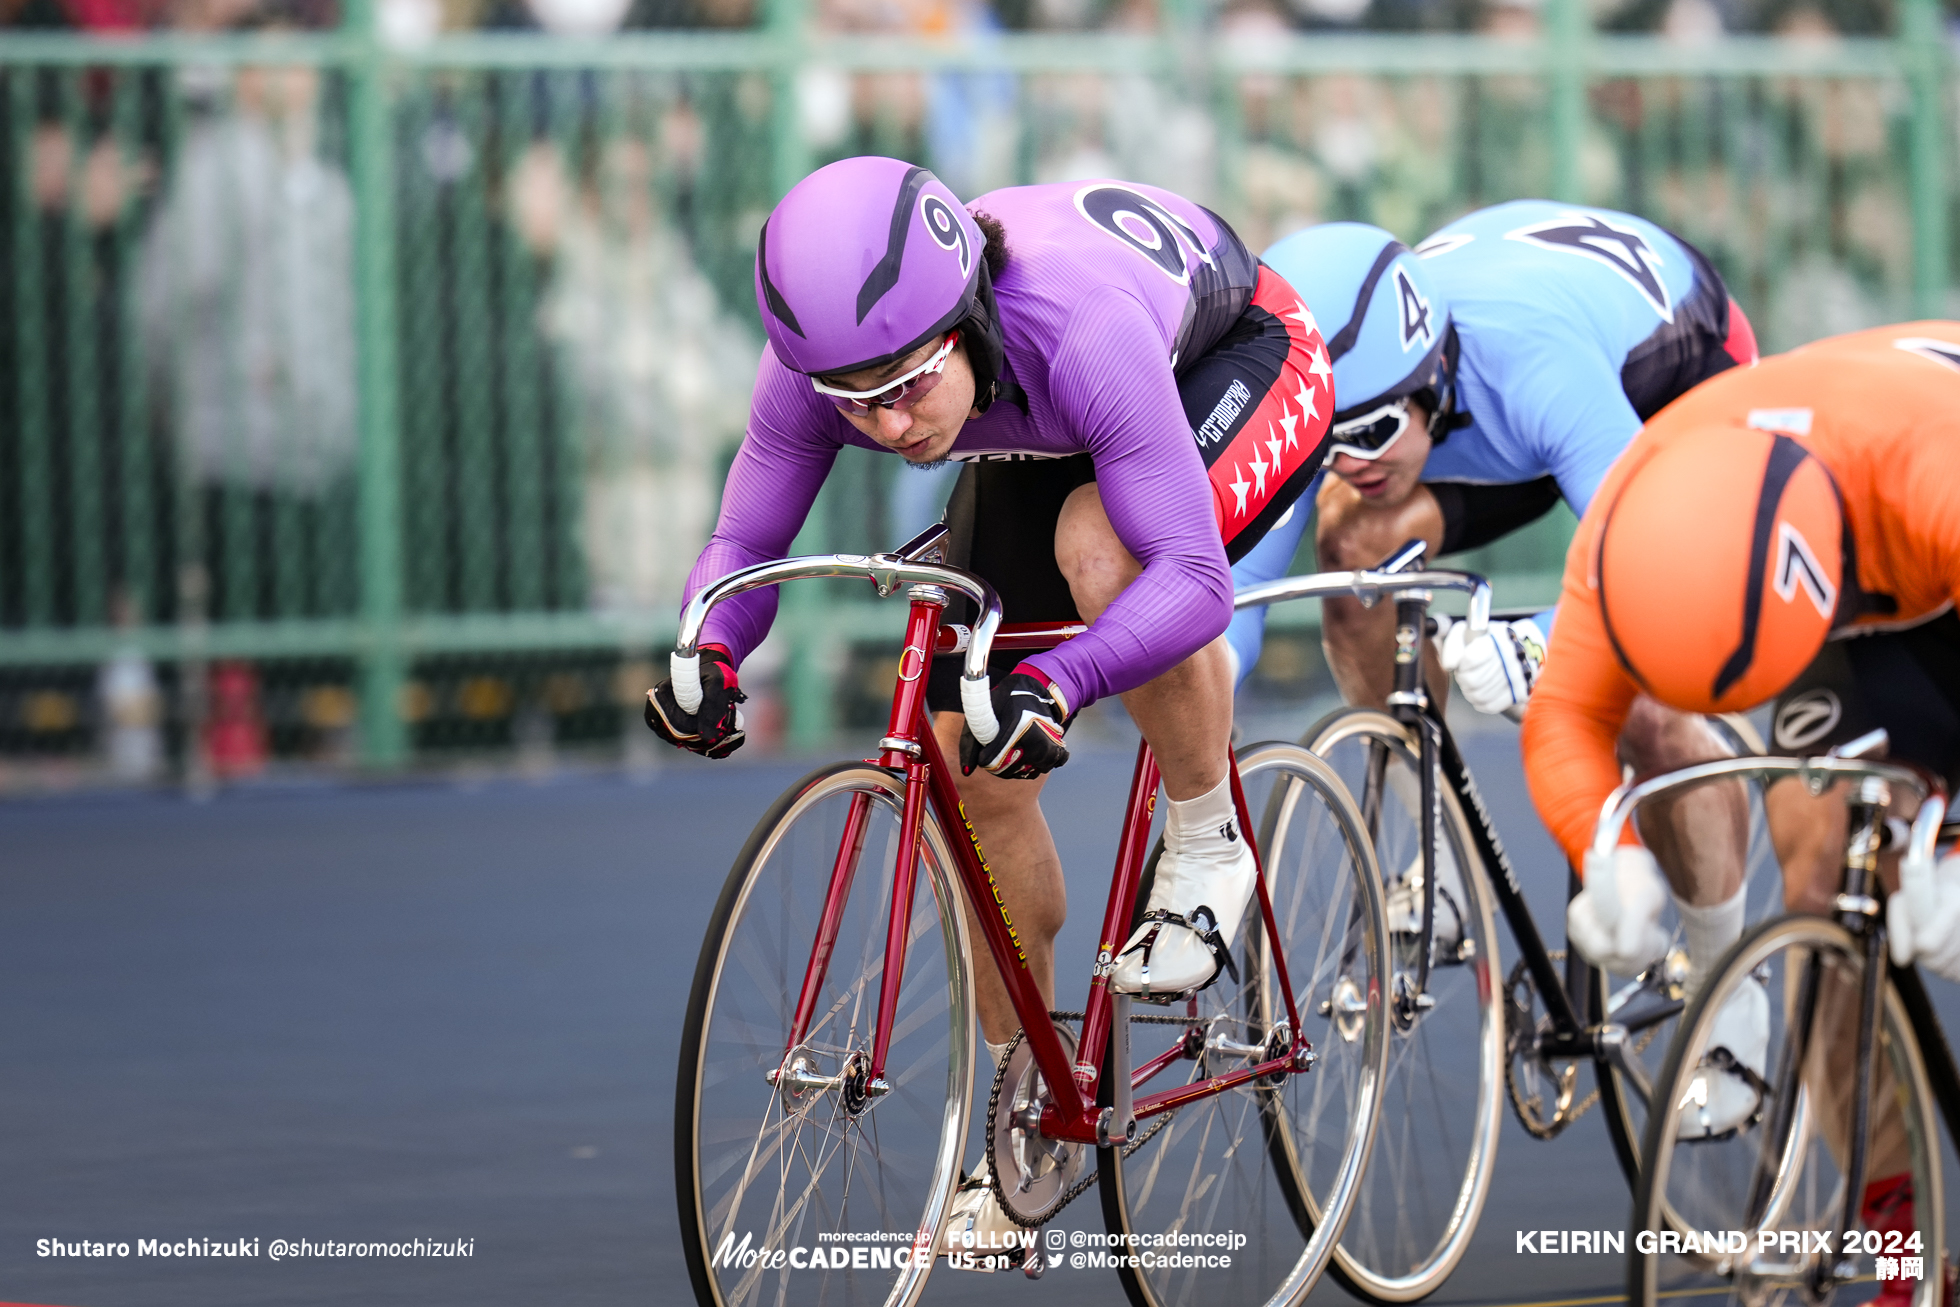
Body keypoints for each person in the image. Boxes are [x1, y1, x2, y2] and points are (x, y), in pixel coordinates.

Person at [643, 156, 1333, 1263]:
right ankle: (1030, 1102)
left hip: (1234, 352)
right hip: (1028, 411)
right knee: (970, 767)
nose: (883, 424)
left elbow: (1194, 580)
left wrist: (1058, 680)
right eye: (849, 403)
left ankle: (1209, 841)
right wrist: (708, 647)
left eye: (903, 388)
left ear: (961, 319)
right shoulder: (853, 371)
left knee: (1106, 549)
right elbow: (744, 544)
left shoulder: (1078, 329)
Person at [1523, 322, 1960, 1288]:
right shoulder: (1631, 520)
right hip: (1826, 571)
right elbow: (1564, 714)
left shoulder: (1931, 474)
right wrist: (1608, 851)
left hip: (1919, 516)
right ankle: (1900, 1230)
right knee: (1816, 889)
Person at [1225, 204, 1759, 954]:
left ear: (1433, 376)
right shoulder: (1355, 393)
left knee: (1644, 706)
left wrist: (1543, 639)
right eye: (1325, 445)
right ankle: (1441, 857)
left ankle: (1726, 984)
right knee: (1354, 545)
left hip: (1670, 378)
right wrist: (1205, 680)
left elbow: (1650, 563)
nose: (1349, 464)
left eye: (1372, 431)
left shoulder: (1535, 366)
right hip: (1504, 418)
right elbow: (1241, 586)